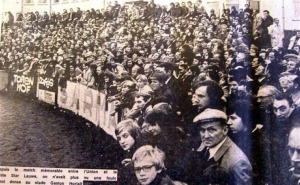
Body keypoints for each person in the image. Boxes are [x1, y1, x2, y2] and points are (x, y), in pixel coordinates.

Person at [178, 109, 252, 184]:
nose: (206, 136)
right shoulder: (207, 146)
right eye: (202, 130)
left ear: (225, 130)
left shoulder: (237, 163)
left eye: (211, 130)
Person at [115, 119, 142, 184]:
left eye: (125, 136)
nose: (122, 141)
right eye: (119, 138)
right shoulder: (125, 153)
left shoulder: (144, 152)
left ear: (135, 135)